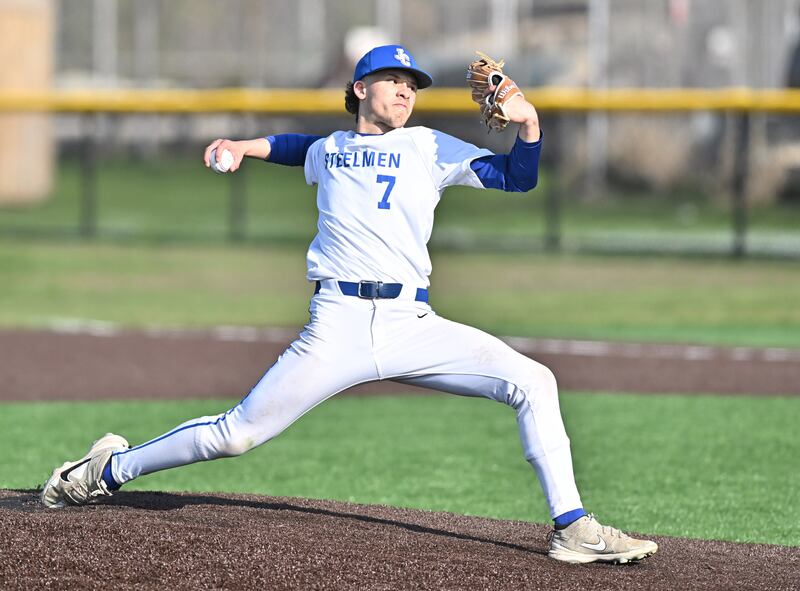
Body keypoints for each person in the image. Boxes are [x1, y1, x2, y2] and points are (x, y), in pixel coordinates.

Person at [41, 45, 657, 565]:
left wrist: (529, 125)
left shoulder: (430, 147)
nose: (406, 91)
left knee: (534, 380)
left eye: (413, 85)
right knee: (235, 436)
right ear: (361, 87)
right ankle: (105, 470)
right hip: (335, 326)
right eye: (394, 80)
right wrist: (239, 146)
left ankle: (573, 528)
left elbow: (517, 179)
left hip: (412, 324)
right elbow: (290, 145)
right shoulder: (330, 149)